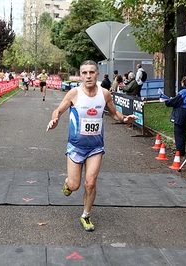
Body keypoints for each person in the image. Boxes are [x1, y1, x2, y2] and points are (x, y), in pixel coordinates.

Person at [46, 60, 138, 231]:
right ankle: (68, 183)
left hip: (95, 147)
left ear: (97, 74)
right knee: (75, 185)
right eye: (84, 73)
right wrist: (55, 119)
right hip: (76, 146)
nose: (88, 76)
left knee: (90, 183)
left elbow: (114, 112)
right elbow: (58, 110)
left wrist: (124, 119)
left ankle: (86, 215)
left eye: (91, 72)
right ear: (80, 75)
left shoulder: (104, 94)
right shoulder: (74, 93)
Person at [164, 76, 186, 156]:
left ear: (182, 83)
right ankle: (181, 149)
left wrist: (167, 101)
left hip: (181, 113)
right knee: (182, 130)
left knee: (178, 131)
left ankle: (179, 150)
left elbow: (174, 102)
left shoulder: (183, 92)